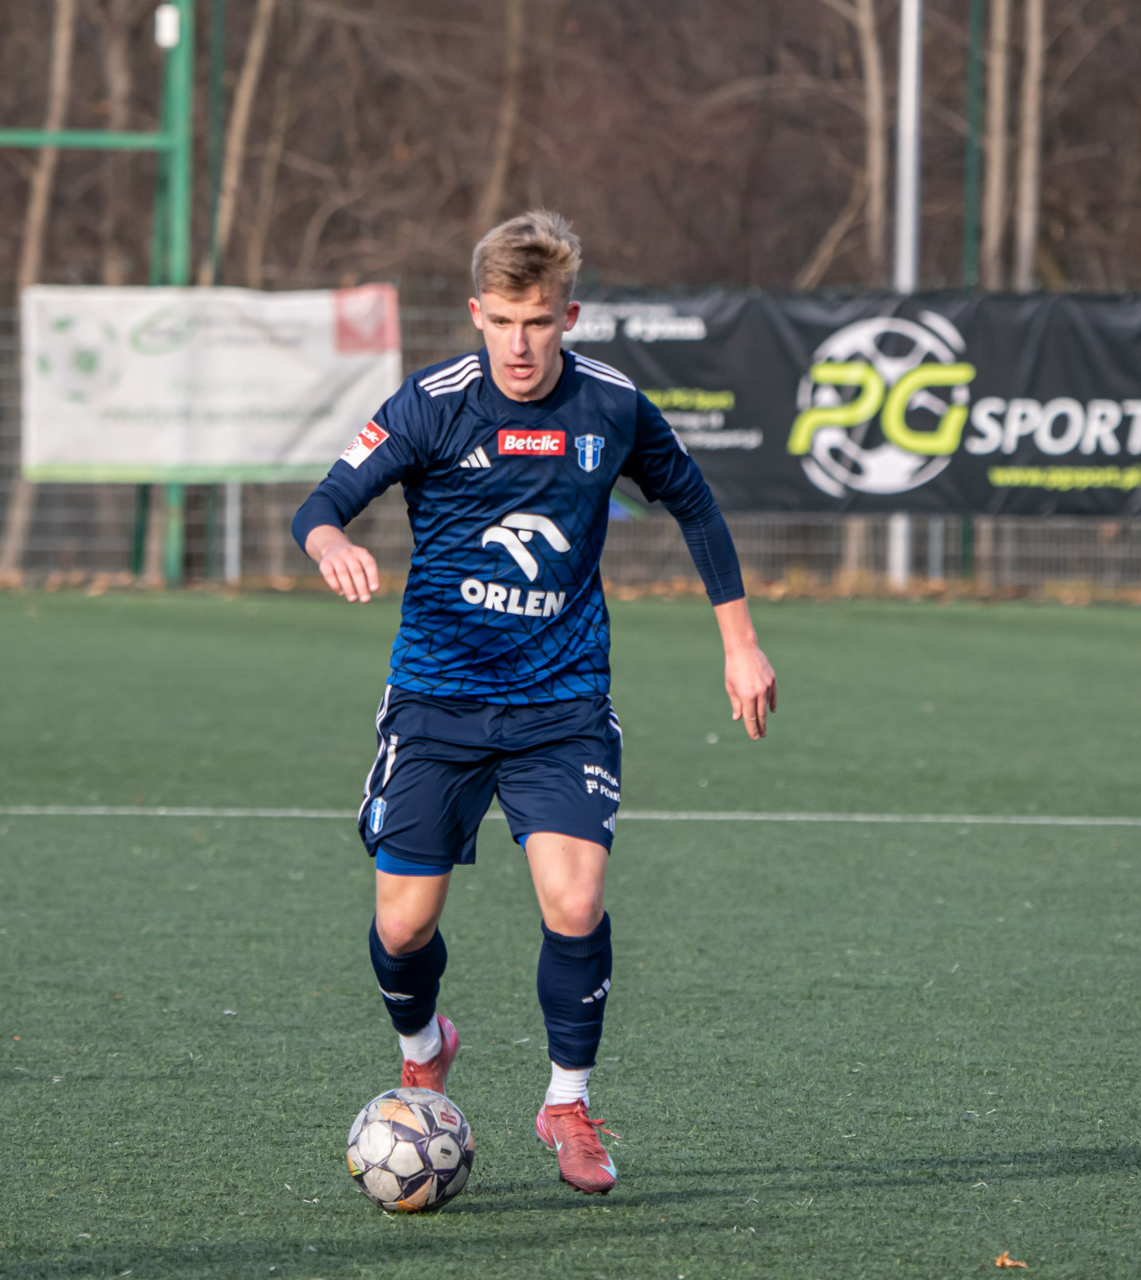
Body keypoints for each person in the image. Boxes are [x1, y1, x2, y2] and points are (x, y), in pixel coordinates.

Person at [291, 211, 777, 1193]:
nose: (520, 344)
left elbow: (693, 502)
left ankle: (567, 1103)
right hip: (438, 698)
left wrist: (741, 642)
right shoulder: (431, 404)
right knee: (402, 928)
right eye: (504, 321)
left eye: (540, 322)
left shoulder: (612, 405)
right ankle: (425, 1043)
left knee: (576, 898)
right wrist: (331, 542)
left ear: (570, 317)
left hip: (563, 700)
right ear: (477, 313)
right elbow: (322, 503)